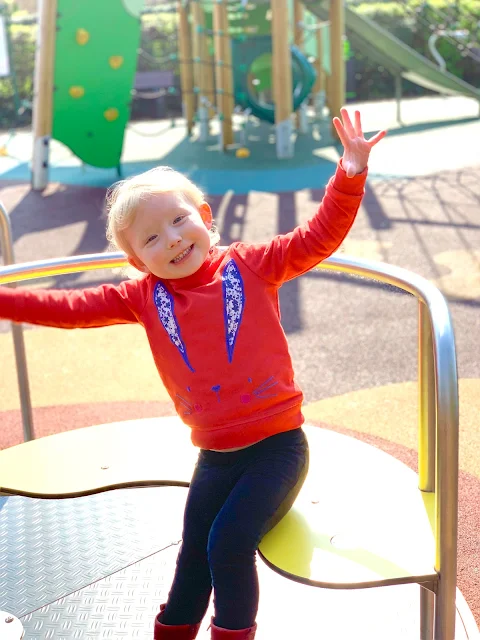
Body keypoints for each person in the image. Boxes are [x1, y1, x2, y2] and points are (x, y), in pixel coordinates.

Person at [0, 109, 386, 639]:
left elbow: (318, 237)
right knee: (193, 553)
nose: (173, 240)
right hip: (216, 456)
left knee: (227, 544)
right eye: (151, 239)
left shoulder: (250, 265)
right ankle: (174, 630)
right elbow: (70, 309)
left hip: (277, 449)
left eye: (179, 221)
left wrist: (349, 173)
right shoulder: (143, 296)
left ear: (205, 215)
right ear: (137, 260)